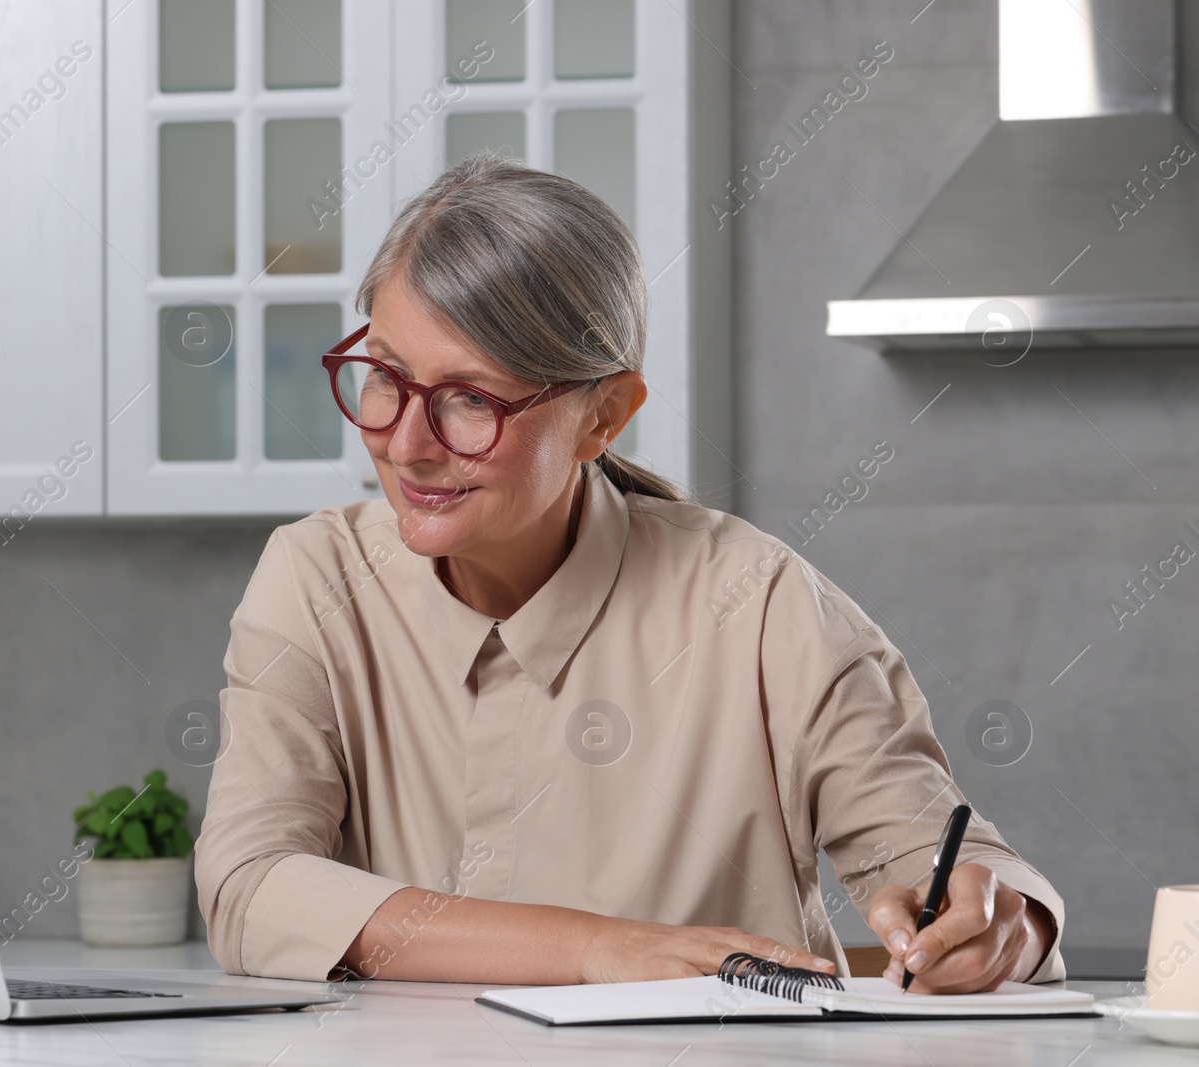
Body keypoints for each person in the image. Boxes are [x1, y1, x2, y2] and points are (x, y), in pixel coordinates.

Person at [194, 151, 1063, 991]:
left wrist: (997, 926)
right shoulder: (316, 579)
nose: (407, 446)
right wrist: (595, 947)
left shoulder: (760, 606)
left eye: (470, 399)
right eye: (384, 376)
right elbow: (250, 887)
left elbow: (942, 865)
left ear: (601, 415)